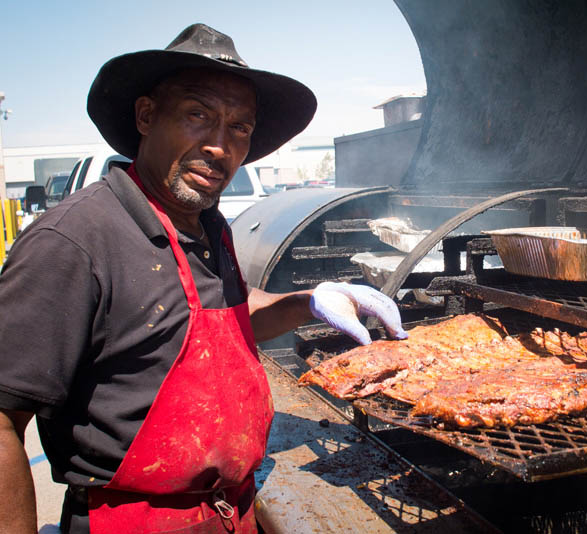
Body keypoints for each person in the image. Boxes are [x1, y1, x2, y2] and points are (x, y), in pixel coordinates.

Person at [0, 24, 407, 534]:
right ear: (146, 116)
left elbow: (219, 320)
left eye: (239, 127)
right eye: (198, 115)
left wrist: (311, 300)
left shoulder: (207, 225)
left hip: (226, 513)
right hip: (130, 522)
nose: (220, 145)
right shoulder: (75, 240)